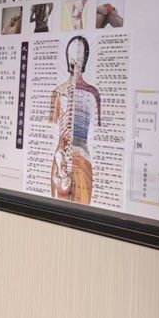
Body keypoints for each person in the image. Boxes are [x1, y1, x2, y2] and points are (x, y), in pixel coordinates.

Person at [49, 36, 101, 204]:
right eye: (72, 63)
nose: (75, 66)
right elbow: (52, 127)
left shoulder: (93, 93)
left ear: (85, 62)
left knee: (82, 209)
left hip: (82, 157)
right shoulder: (58, 92)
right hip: (60, 158)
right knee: (55, 208)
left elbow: (97, 130)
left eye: (79, 62)